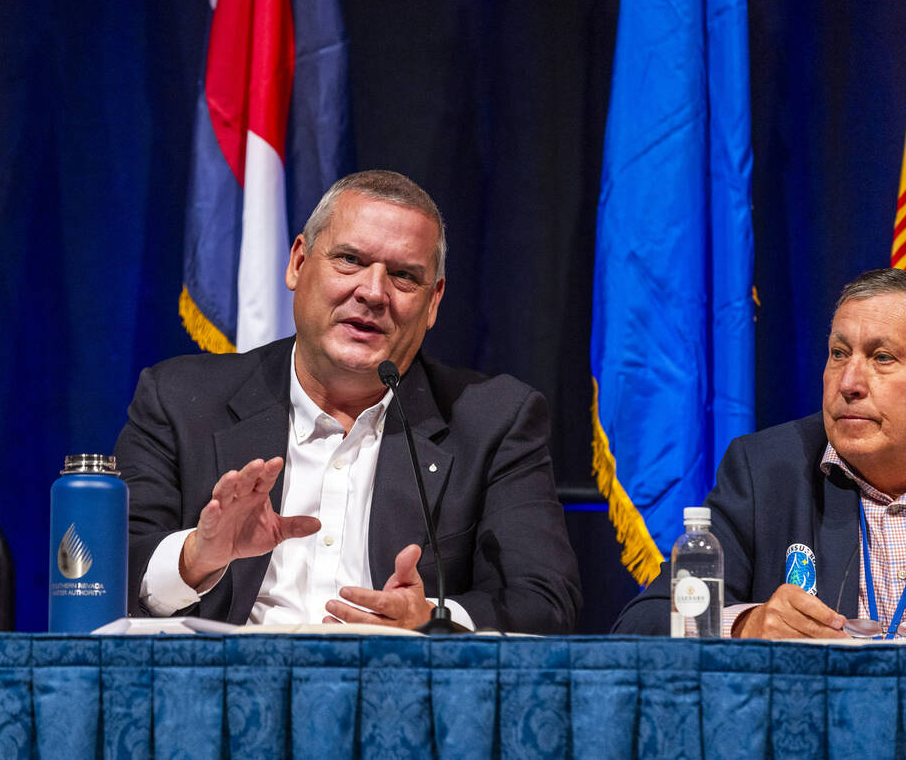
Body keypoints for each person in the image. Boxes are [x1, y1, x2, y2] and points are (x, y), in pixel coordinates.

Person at [118, 170, 581, 632]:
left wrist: (435, 620)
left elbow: (544, 601)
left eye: (403, 276)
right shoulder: (180, 401)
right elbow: (103, 578)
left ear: (434, 301)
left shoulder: (493, 422)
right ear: (299, 262)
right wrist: (196, 557)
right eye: (350, 260)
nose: (373, 293)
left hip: (404, 691)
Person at [613, 267, 906, 638]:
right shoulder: (766, 470)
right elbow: (644, 623)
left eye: (881, 357)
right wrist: (743, 626)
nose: (848, 383)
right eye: (838, 353)